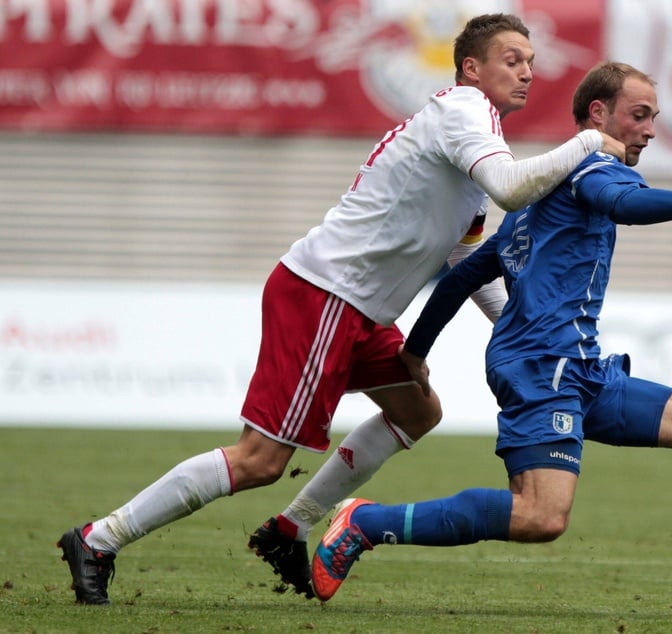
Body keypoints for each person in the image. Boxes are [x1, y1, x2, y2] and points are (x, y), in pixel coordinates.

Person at [56, 13, 627, 605]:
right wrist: (586, 141)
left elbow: (464, 259)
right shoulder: (464, 111)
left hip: (358, 312)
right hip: (325, 295)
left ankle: (289, 529)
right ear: (471, 68)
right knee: (260, 460)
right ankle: (100, 539)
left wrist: (522, 329)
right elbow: (513, 188)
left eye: (532, 62)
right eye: (513, 59)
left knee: (416, 409)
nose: (528, 72)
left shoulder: (476, 140)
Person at [310, 61, 672, 620]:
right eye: (640, 115)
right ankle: (364, 522)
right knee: (539, 517)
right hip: (540, 368)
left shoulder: (539, 196)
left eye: (654, 118)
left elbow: (462, 276)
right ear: (597, 115)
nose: (650, 130)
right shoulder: (592, 167)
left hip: (576, 367)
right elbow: (625, 205)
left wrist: (414, 353)